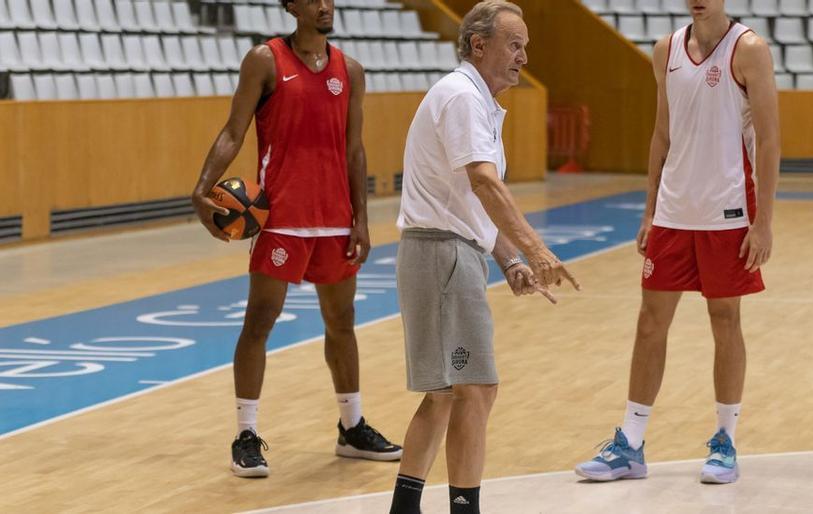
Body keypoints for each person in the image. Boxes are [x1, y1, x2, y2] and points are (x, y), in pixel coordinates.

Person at [190, 0, 401, 478]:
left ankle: (352, 426)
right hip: (281, 215)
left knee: (341, 321)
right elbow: (233, 131)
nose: (325, 6)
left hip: (335, 218)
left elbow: (355, 149)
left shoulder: (351, 69)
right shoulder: (264, 60)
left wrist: (362, 218)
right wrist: (203, 186)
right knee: (260, 320)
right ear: (291, 6)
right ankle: (245, 434)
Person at [575, 0, 779, 486]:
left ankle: (725, 441)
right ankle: (631, 443)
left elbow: (769, 140)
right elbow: (662, 132)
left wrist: (764, 221)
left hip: (728, 210)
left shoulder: (749, 49)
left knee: (725, 318)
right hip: (673, 212)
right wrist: (649, 210)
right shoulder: (665, 48)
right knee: (650, 323)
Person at [387, 2, 579, 513]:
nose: (523, 56)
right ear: (478, 44)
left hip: (442, 253)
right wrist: (536, 250)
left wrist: (510, 259)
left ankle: (404, 508)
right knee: (476, 390)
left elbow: (468, 200)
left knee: (446, 394)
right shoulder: (462, 98)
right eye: (514, 44)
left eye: (525, 47)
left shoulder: (474, 100)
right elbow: (483, 183)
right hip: (442, 256)